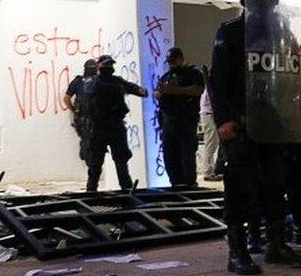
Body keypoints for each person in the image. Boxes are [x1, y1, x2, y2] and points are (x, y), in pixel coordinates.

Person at [209, 0, 301, 275]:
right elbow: (217, 79)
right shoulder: (231, 31)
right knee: (238, 188)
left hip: (274, 123)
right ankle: (237, 252)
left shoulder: (281, 32)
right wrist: (224, 120)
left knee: (274, 186)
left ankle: (276, 245)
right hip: (240, 123)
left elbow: (291, 76)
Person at [83, 55, 147, 192]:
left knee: (121, 162)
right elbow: (91, 91)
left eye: (110, 65)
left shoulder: (117, 82)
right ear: (99, 66)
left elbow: (136, 89)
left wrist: (139, 90)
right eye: (105, 65)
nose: (108, 68)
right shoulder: (92, 82)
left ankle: (126, 190)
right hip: (98, 128)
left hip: (115, 126)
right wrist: (119, 89)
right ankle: (91, 191)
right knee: (95, 164)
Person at [155, 47, 205, 187]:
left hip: (186, 122)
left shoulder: (193, 73)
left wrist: (174, 91)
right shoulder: (167, 76)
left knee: (187, 157)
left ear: (181, 59)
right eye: (169, 62)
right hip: (169, 123)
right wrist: (161, 92)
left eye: (174, 61)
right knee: (170, 157)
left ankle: (189, 186)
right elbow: (158, 92)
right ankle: (175, 184)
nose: (171, 64)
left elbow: (198, 90)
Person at [63, 58, 98, 163]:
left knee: (89, 142)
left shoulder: (78, 81)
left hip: (84, 118)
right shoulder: (99, 81)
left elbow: (66, 98)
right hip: (92, 118)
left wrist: (73, 110)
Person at [199, 82, 221, 181]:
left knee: (213, 143)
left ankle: (210, 170)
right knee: (211, 144)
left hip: (209, 114)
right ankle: (208, 171)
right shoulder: (210, 86)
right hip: (209, 114)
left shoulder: (210, 86)